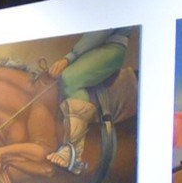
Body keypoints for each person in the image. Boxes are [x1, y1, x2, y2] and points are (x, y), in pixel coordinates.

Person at [45, 27, 131, 174]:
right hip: (94, 48)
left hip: (111, 47)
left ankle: (73, 151)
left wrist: (69, 58)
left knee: (70, 78)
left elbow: (100, 32)